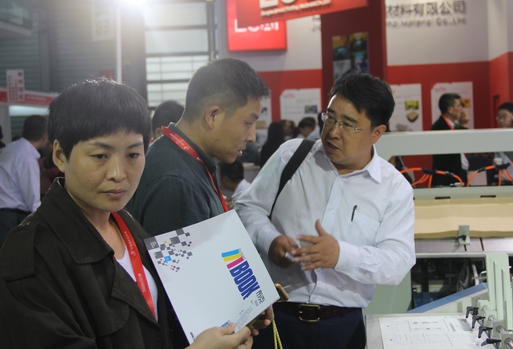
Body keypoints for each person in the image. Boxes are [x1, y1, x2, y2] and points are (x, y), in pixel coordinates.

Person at [0, 79, 254, 349]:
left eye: (133, 155)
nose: (118, 174)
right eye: (100, 156)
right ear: (61, 155)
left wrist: (236, 313)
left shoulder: (126, 223)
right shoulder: (31, 255)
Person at [236, 73, 416, 349]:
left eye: (349, 125)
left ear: (377, 133)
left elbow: (398, 261)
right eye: (330, 117)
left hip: (341, 330)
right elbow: (248, 208)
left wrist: (342, 256)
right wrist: (270, 240)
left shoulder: (393, 188)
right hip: (274, 320)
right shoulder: (292, 156)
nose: (333, 131)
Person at [127, 58, 271, 237]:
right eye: (248, 123)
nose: (252, 137)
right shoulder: (176, 182)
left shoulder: (182, 161)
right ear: (213, 116)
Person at [0, 114, 48, 245]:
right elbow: (32, 200)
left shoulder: (12, 147)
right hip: (10, 217)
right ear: (45, 136)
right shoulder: (27, 159)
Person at [431, 93, 469, 186]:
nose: (461, 109)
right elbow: (460, 144)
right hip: (446, 178)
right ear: (450, 109)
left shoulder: (453, 125)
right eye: (459, 106)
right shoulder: (439, 126)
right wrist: (463, 125)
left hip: (456, 175)